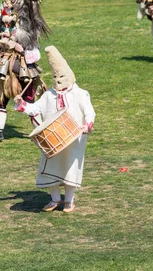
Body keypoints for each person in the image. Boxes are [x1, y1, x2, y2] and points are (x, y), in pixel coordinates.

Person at [14, 46, 95, 213]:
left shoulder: (80, 94)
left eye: (62, 76)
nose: (58, 80)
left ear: (70, 76)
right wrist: (21, 104)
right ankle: (55, 199)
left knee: (70, 168)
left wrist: (87, 125)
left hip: (74, 139)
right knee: (50, 167)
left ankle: (69, 201)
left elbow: (89, 111)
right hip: (53, 139)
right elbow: (35, 109)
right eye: (55, 76)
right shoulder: (49, 94)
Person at [0, 0, 54, 143]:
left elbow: (27, 40)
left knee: (28, 99)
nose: (11, 2)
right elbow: (2, 31)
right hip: (5, 63)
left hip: (23, 65)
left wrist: (16, 41)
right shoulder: (6, 17)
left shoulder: (28, 21)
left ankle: (40, 131)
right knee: (1, 97)